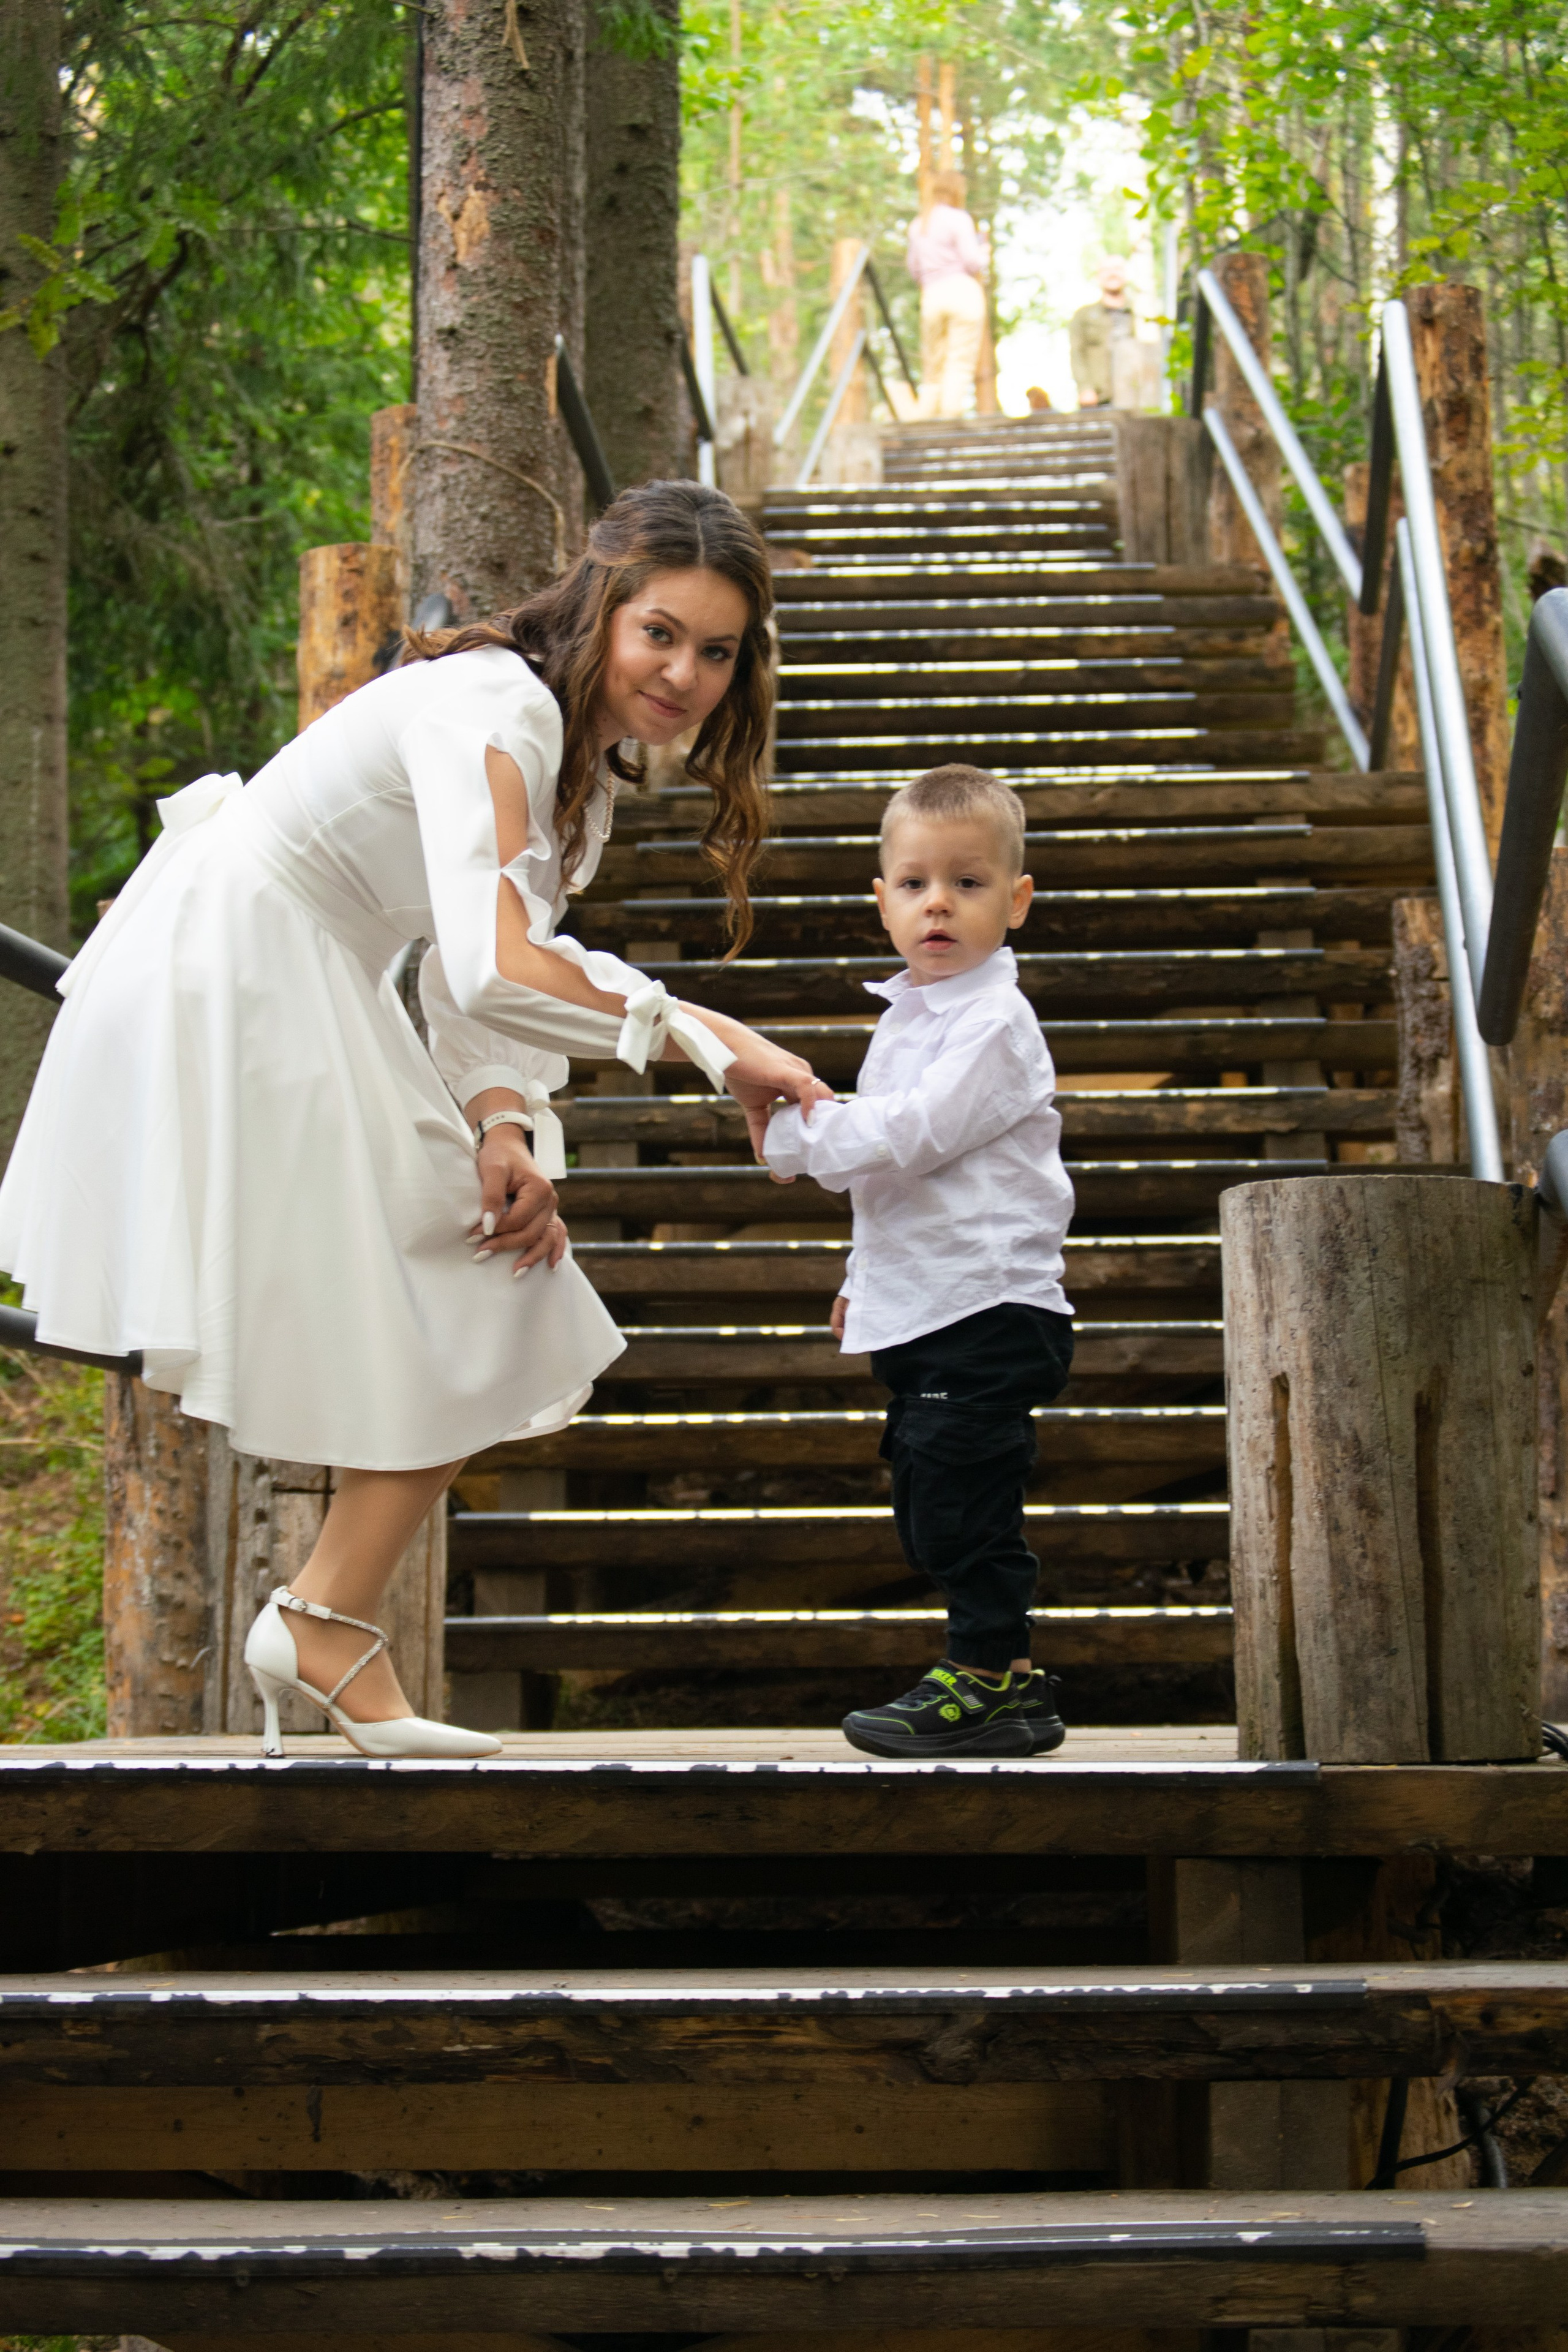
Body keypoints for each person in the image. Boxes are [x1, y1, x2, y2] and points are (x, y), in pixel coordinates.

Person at [0, 481, 829, 1760]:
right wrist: (715, 1042)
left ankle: (324, 1616)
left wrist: (502, 1124)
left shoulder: (572, 774)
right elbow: (501, 962)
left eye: (717, 651)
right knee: (475, 1279)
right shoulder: (495, 708)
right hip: (239, 965)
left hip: (295, 966)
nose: (684, 673)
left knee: (488, 1268)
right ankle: (322, 1619)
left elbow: (470, 975)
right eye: (659, 632)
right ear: (602, 603)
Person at [763, 764, 1076, 1759]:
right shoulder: (908, 1019)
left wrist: (789, 1132)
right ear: (883, 901)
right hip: (929, 1306)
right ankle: (1007, 1685)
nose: (937, 902)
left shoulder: (994, 1023)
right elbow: (889, 1189)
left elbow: (913, 1136)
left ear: (1016, 901)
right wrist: (864, 1284)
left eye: (968, 883)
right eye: (914, 884)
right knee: (928, 1494)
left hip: (987, 1308)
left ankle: (987, 1676)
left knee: (960, 1498)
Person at [905, 169, 989, 421]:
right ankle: (951, 412)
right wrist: (985, 250)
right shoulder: (959, 219)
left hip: (931, 295)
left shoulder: (919, 224)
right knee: (960, 358)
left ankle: (925, 414)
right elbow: (973, 261)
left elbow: (914, 268)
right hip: (962, 290)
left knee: (933, 361)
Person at [1069, 257, 1136, 408]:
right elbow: (1077, 354)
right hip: (1099, 398)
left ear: (1126, 275)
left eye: (1118, 269)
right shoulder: (1084, 316)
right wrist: (1085, 388)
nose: (1113, 274)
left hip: (1136, 396)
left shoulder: (1141, 314)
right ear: (1098, 277)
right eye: (1107, 270)